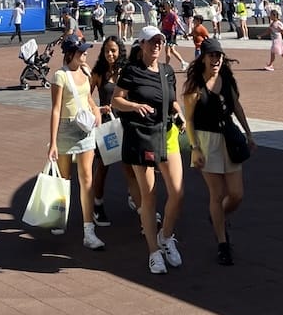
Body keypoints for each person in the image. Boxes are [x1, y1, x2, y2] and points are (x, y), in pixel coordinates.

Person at [112, 27, 185, 275]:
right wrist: (135, 105)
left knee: (177, 192)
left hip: (167, 134)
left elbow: (171, 99)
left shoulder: (167, 71)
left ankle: (166, 236)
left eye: (160, 41)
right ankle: (154, 251)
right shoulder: (132, 72)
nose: (156, 45)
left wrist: (179, 113)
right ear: (141, 44)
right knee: (149, 196)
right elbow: (116, 101)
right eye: (152, 41)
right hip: (142, 137)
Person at [183, 38, 256, 265]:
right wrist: (195, 147)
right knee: (216, 194)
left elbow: (236, 107)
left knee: (236, 194)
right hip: (206, 141)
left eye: (219, 56)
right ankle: (222, 243)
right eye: (212, 55)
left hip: (229, 138)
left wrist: (248, 132)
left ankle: (218, 217)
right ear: (203, 57)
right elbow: (189, 121)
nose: (216, 60)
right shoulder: (195, 86)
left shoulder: (226, 80)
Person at [46, 35, 105, 250]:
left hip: (85, 129)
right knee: (64, 178)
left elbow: (88, 97)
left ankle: (88, 230)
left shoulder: (86, 71)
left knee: (87, 178)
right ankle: (60, 217)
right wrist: (52, 142)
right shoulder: (60, 76)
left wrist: (96, 109)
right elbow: (55, 109)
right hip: (66, 128)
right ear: (71, 53)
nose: (85, 54)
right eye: (81, 51)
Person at [88, 35, 132, 226]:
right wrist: (97, 109)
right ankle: (97, 205)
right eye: (107, 51)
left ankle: (135, 198)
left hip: (126, 122)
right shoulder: (98, 72)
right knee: (103, 167)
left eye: (113, 50)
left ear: (120, 51)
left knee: (130, 165)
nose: (110, 54)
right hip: (106, 125)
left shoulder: (126, 71)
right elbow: (85, 96)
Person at [159, 1, 187, 71]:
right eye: (164, 5)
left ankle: (167, 66)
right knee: (172, 50)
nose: (165, 6)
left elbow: (178, 23)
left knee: (167, 50)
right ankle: (183, 62)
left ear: (170, 6)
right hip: (165, 33)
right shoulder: (165, 14)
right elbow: (163, 24)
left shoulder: (173, 14)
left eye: (166, 5)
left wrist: (184, 32)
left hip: (171, 34)